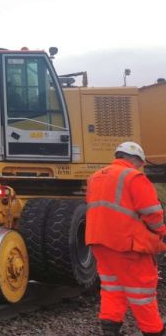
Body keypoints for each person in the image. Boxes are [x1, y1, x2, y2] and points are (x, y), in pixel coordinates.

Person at [86, 141, 166, 336]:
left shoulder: (95, 177)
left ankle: (110, 330)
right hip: (127, 245)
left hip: (99, 242)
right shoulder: (133, 176)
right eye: (140, 163)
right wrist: (161, 233)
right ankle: (154, 331)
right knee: (143, 292)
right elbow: (152, 213)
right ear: (135, 159)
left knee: (113, 288)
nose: (141, 167)